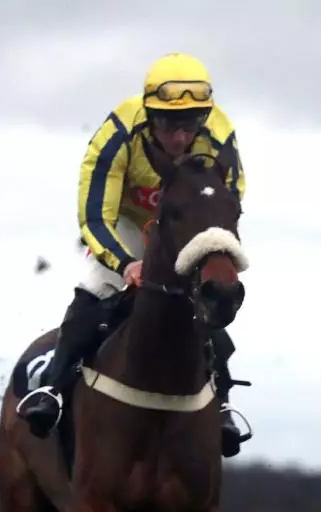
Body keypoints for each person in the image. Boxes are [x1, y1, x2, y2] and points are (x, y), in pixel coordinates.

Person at [15, 52, 252, 458]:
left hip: (182, 227)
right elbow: (94, 215)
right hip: (126, 223)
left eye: (191, 123)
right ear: (149, 113)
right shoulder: (118, 133)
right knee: (94, 289)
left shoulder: (219, 134)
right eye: (169, 124)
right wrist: (126, 264)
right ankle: (53, 388)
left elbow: (226, 203)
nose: (180, 138)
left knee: (207, 298)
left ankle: (223, 401)